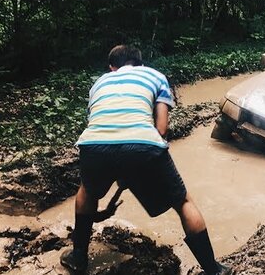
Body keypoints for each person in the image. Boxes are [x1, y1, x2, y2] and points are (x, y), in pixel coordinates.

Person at [60, 44, 232, 275]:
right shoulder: (155, 76)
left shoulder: (99, 82)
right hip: (143, 145)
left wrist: (122, 171)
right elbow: (161, 129)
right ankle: (214, 270)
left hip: (93, 145)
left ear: (112, 67)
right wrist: (138, 166)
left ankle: (78, 257)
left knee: (87, 192)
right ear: (140, 63)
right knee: (183, 202)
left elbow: (103, 126)